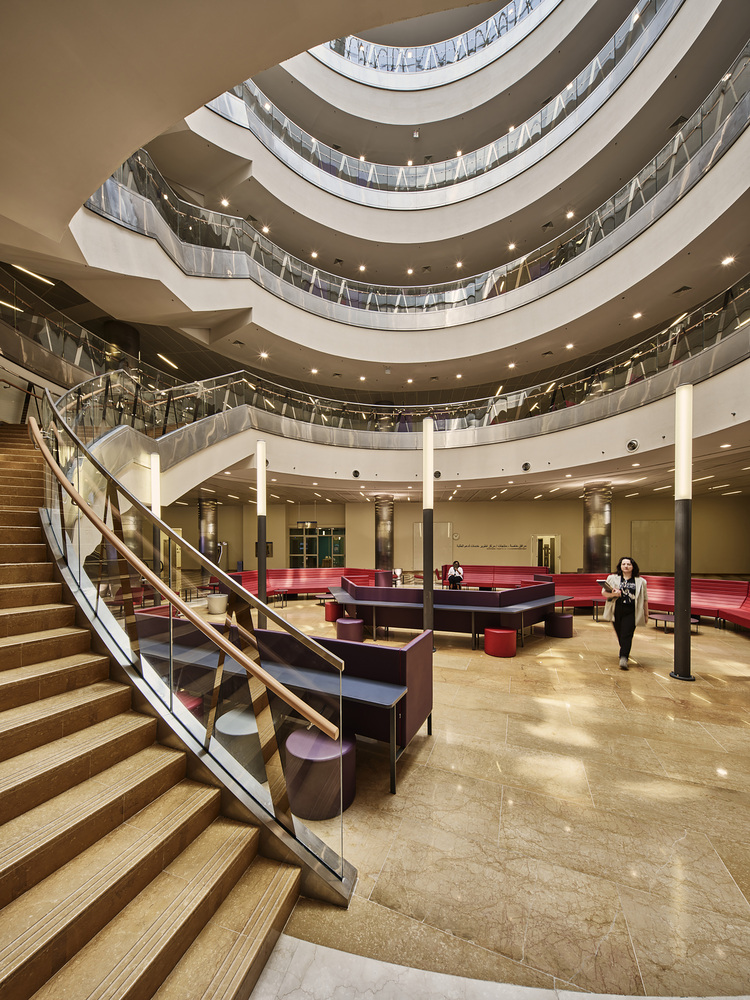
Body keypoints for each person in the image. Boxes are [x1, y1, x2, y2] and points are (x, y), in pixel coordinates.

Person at [602, 556, 649, 670]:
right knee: (620, 633)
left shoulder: (641, 581)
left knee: (627, 634)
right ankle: (624, 650)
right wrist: (614, 594)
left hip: (632, 611)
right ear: (620, 566)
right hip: (617, 609)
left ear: (633, 566)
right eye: (624, 564)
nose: (626, 566)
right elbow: (604, 593)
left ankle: (624, 657)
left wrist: (646, 614)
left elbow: (645, 599)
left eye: (628, 564)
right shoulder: (612, 578)